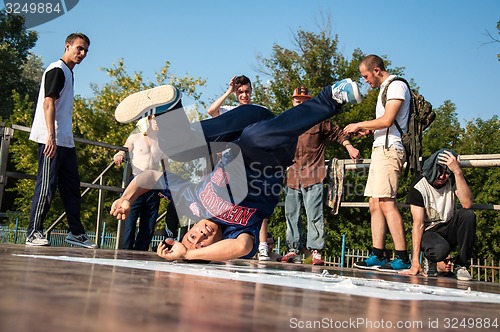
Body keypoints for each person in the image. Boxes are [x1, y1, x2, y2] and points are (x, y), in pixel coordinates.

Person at [110, 78, 362, 262]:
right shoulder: (237, 232)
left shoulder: (191, 201)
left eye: (192, 237)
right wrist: (190, 254)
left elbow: (151, 176)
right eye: (203, 243)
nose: (200, 235)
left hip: (246, 117)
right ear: (217, 243)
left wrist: (126, 198)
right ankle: (331, 97)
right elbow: (241, 248)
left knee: (177, 148)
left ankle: (169, 108)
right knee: (254, 139)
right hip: (270, 152)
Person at [26, 33, 96, 248]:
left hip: (65, 140)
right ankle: (33, 232)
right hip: (52, 139)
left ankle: (76, 233)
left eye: (85, 50)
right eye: (79, 48)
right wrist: (51, 137)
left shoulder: (68, 72)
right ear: (68, 46)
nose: (82, 53)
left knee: (72, 188)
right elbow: (49, 104)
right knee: (47, 186)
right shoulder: (57, 69)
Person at [344, 54, 411, 271]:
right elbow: (384, 124)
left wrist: (357, 124)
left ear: (376, 70)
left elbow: (388, 120)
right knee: (375, 203)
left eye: (365, 76)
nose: (365, 81)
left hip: (390, 149)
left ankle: (402, 257)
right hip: (380, 147)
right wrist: (368, 130)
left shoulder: (396, 86)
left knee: (386, 202)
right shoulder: (385, 89)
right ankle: (378, 254)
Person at [281, 87, 360, 265]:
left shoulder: (319, 119)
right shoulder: (287, 120)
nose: (300, 103)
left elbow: (337, 133)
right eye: (297, 101)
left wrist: (350, 147)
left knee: (314, 214)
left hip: (314, 174)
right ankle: (293, 250)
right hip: (292, 175)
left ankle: (315, 251)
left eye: (304, 100)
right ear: (293, 102)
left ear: (309, 101)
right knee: (291, 214)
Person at [207, 75, 271, 261]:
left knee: (256, 206)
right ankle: (228, 241)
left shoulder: (260, 111)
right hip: (230, 164)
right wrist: (228, 91)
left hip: (254, 163)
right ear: (236, 93)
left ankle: (263, 245)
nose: (244, 95)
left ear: (251, 91)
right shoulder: (230, 111)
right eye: (240, 92)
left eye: (247, 91)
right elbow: (212, 110)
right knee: (226, 204)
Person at [402, 148, 476, 281]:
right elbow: (418, 225)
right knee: (439, 250)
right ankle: (430, 259)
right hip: (430, 231)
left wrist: (457, 172)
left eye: (447, 172)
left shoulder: (453, 179)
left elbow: (467, 204)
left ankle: (462, 265)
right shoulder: (419, 186)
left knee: (468, 215)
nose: (442, 176)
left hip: (449, 226)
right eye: (439, 171)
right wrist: (415, 262)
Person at [113, 115, 173, 250]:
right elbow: (123, 150)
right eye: (155, 119)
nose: (158, 123)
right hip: (136, 181)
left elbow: (166, 167)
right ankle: (125, 251)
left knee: (149, 222)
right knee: (130, 220)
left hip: (153, 185)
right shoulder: (135, 137)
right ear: (148, 120)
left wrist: (169, 187)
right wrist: (119, 155)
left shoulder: (161, 142)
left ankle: (141, 251)